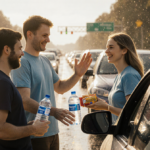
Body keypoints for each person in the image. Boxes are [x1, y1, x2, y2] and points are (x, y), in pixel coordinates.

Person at [11, 16, 92, 150]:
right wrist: (54, 111)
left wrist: (78, 75)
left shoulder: (45, 61)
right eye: (44, 35)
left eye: (48, 35)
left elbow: (60, 88)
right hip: (35, 135)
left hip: (53, 132)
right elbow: (24, 101)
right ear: (29, 34)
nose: (48, 40)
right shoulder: (23, 62)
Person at [0, 28, 50, 150]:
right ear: (7, 50)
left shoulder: (5, 80)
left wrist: (26, 126)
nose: (22, 53)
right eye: (19, 48)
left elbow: (9, 122)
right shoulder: (3, 83)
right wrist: (33, 129)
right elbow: (1, 130)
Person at [86, 33, 144, 124]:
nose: (106, 51)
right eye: (106, 47)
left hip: (126, 135)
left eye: (111, 47)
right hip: (118, 132)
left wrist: (107, 108)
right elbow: (122, 107)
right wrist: (104, 104)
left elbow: (134, 114)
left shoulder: (129, 75)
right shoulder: (120, 75)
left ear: (124, 50)